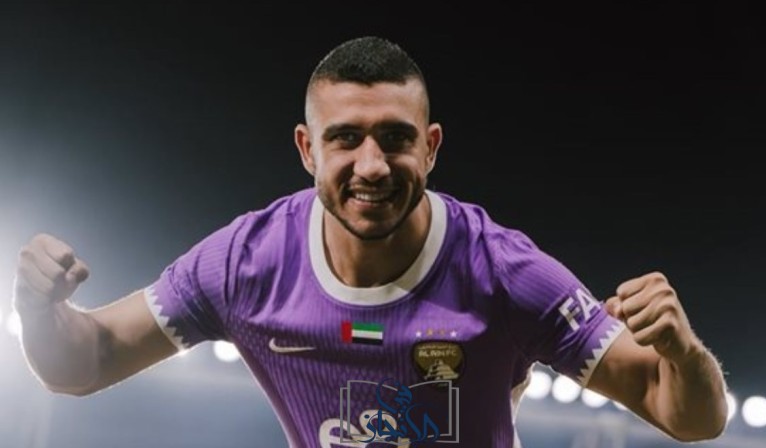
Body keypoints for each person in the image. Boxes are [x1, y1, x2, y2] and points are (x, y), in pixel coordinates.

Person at [12, 36, 728, 447]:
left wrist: (682, 352)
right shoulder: (245, 264)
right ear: (307, 149)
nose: (373, 165)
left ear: (432, 147)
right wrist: (39, 313)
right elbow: (85, 362)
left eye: (395, 138)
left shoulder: (503, 271)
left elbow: (687, 416)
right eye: (346, 138)